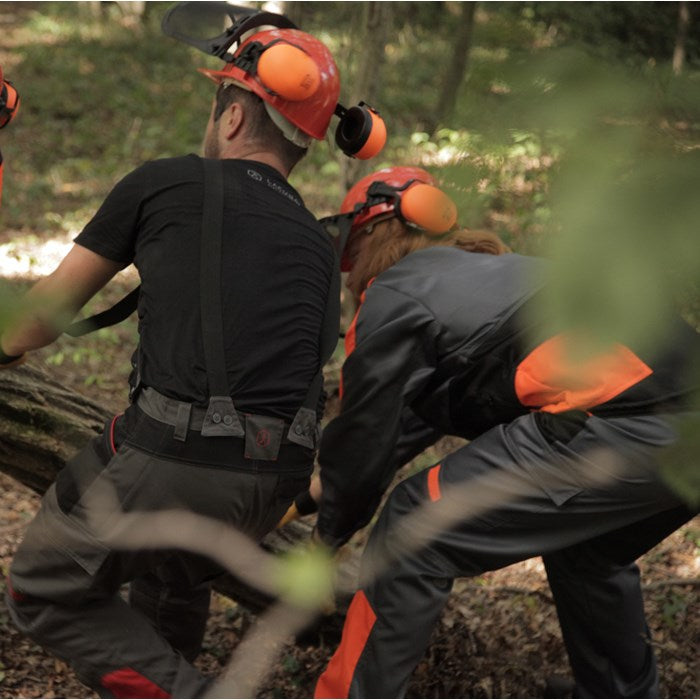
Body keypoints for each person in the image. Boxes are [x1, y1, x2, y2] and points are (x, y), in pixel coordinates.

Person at [2, 14, 384, 698]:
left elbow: (33, 323)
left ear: (233, 117)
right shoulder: (317, 244)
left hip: (177, 462)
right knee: (168, 568)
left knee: (43, 589)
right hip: (278, 481)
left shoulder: (167, 184)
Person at [310, 166, 699, 698]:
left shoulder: (395, 294)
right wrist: (315, 500)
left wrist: (326, 536)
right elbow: (408, 424)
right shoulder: (486, 276)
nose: (352, 279)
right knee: (587, 550)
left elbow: (361, 439)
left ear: (371, 237)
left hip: (623, 420)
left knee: (414, 524)